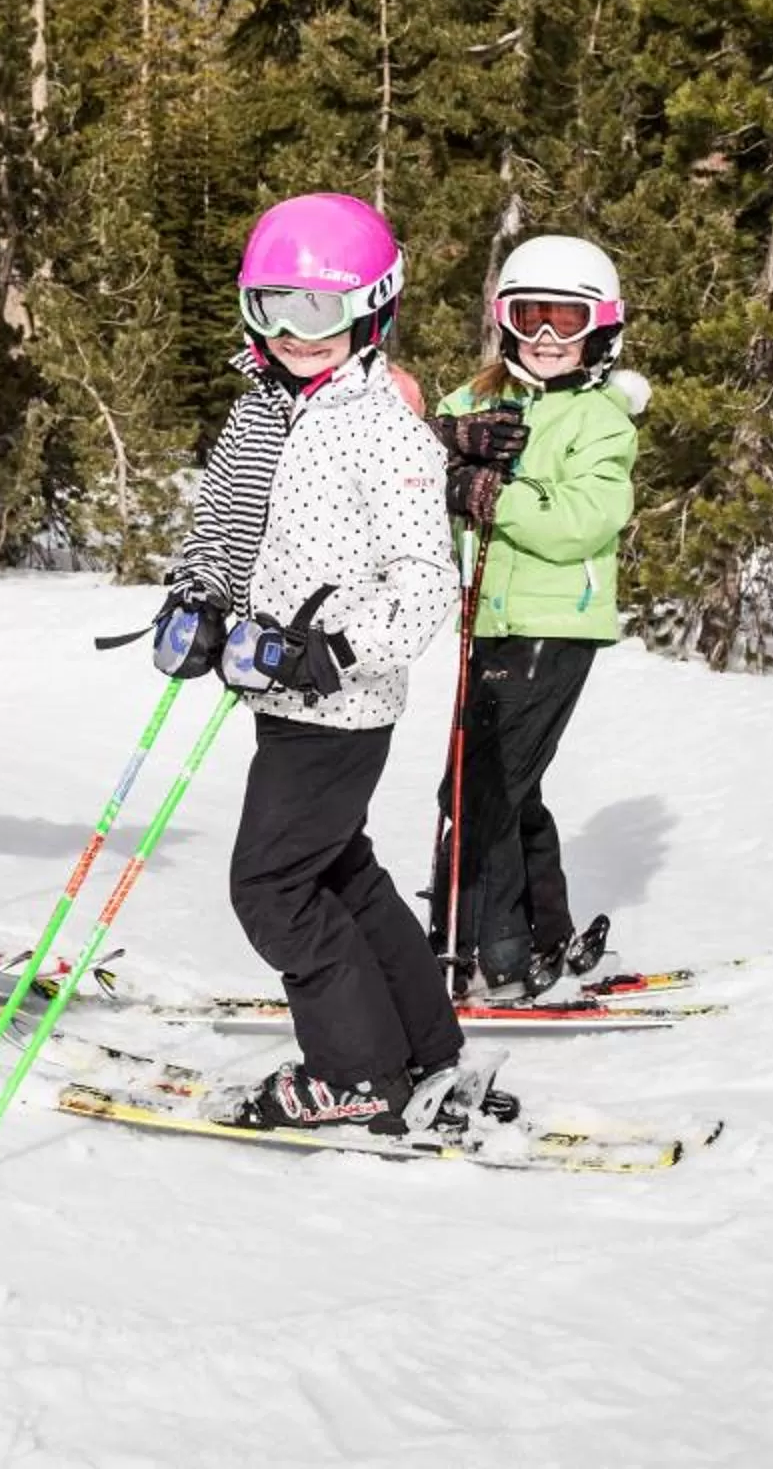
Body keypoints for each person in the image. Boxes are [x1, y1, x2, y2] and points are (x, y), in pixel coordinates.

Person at [149, 192, 465, 1133]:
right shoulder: (264, 410)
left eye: (318, 310)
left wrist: (322, 649)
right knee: (336, 867)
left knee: (273, 887)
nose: (295, 332)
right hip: (279, 690)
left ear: (372, 307)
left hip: (339, 701)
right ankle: (422, 1039)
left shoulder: (385, 430)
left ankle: (357, 1074)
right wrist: (200, 600)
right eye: (272, 307)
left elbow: (425, 590)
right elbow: (224, 530)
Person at [431, 234, 647, 999]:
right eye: (531, 317)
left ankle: (497, 959)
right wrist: (445, 451)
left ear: (602, 328)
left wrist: (492, 494)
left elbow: (582, 521)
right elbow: (400, 454)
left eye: (567, 319)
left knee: (482, 790)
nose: (548, 337)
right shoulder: (476, 400)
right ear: (505, 320)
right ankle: (546, 935)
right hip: (488, 621)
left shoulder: (601, 421)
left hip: (554, 626)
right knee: (502, 786)